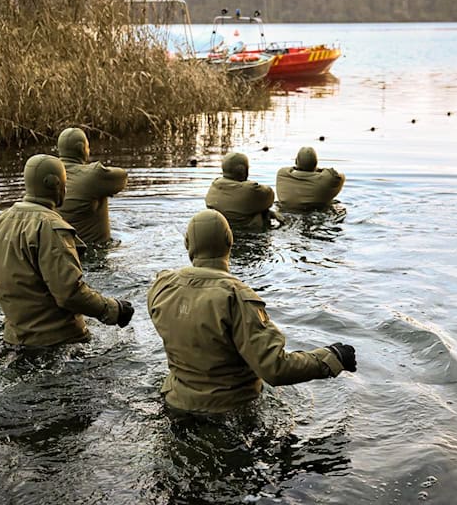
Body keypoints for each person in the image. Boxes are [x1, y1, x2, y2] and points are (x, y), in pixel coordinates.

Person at [146, 209, 357, 414]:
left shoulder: (162, 286)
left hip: (174, 403)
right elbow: (275, 369)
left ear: (187, 244)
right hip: (229, 411)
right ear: (230, 243)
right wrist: (330, 357)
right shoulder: (236, 296)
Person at [0, 154, 134, 347]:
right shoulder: (51, 228)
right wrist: (113, 309)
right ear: (54, 184)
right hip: (61, 340)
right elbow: (70, 293)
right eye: (64, 182)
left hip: (13, 338)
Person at [56, 127, 128, 245]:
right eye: (87, 147)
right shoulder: (94, 175)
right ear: (82, 148)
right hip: (94, 250)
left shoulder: (49, 173)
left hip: (59, 248)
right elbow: (122, 177)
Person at [205, 152, 275, 231]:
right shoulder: (251, 190)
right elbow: (270, 196)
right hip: (249, 234)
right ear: (243, 170)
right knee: (263, 213)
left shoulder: (214, 186)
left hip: (222, 233)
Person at [275, 146, 345, 210]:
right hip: (317, 213)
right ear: (316, 163)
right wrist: (317, 170)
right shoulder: (328, 180)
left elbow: (289, 168)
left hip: (287, 213)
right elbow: (341, 176)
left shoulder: (282, 174)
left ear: (296, 161)